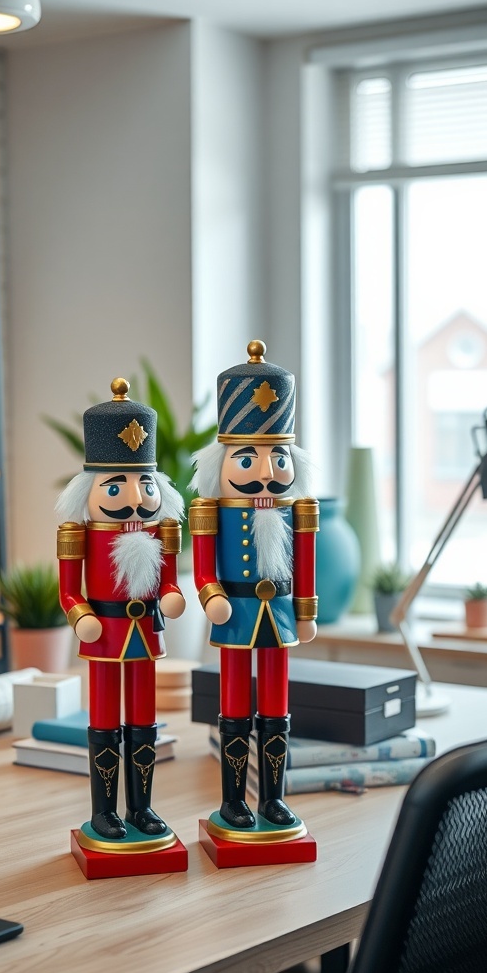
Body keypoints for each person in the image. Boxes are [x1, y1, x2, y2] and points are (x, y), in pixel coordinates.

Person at [189, 340, 319, 838]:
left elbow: (304, 564)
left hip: (282, 613)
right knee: (234, 707)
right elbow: (203, 569)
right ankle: (232, 800)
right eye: (249, 459)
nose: (266, 471)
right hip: (236, 612)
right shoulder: (211, 510)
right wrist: (211, 598)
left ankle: (275, 799)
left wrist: (305, 611)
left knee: (278, 708)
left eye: (278, 457)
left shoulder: (296, 509)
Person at [56, 377, 185, 844]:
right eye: (117, 488)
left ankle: (143, 807)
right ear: (89, 491)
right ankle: (105, 811)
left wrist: (172, 593)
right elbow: (68, 591)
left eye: (144, 485)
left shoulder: (160, 530)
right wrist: (81, 616)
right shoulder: (79, 532)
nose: (134, 499)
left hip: (147, 631)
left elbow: (169, 579)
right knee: (105, 720)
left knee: (144, 720)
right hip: (106, 632)